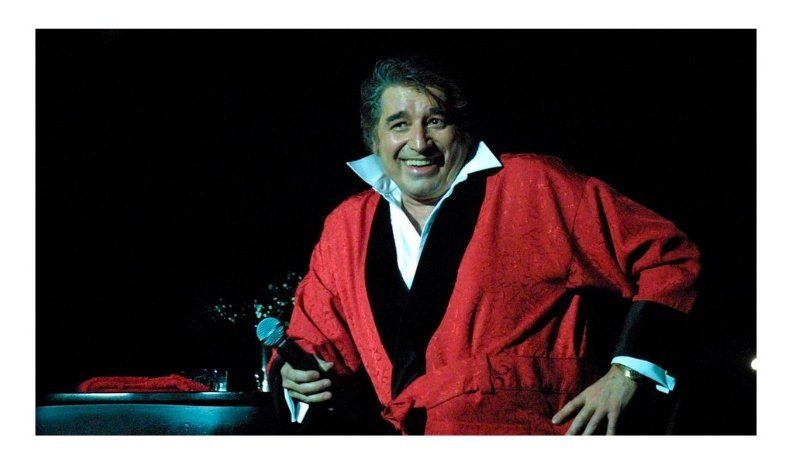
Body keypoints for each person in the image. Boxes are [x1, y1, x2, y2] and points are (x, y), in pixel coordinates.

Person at [270, 56, 700, 435]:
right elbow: (312, 343)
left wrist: (630, 371)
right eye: (399, 124)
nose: (419, 143)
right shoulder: (348, 226)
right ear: (374, 138)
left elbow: (670, 257)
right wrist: (294, 374)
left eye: (436, 122)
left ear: (462, 129)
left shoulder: (535, 186)